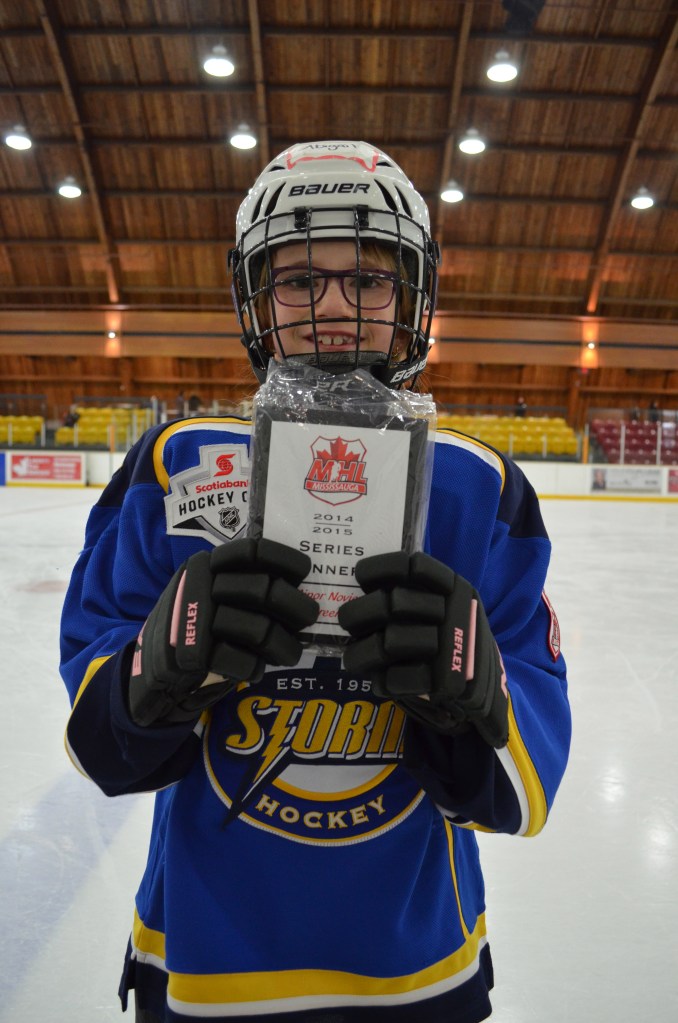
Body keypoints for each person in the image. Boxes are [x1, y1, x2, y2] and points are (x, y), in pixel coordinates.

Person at [60, 140, 571, 1023]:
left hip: (418, 967)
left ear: (411, 293)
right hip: (203, 962)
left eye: (368, 280)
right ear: (256, 296)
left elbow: (525, 785)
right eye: (298, 280)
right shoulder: (175, 463)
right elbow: (100, 738)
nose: (334, 309)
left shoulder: (479, 486)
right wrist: (150, 678)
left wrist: (477, 703)